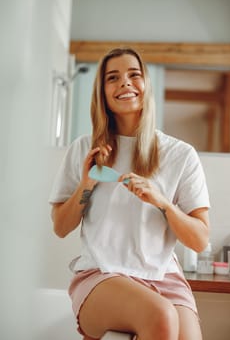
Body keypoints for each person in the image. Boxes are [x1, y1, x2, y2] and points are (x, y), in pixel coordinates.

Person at [49, 47, 210, 340]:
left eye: (133, 75)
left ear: (145, 85)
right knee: (161, 315)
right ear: (102, 91)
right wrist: (86, 185)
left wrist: (163, 203)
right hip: (102, 274)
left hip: (165, 278)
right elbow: (60, 227)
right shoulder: (84, 150)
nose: (125, 82)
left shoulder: (180, 155)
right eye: (113, 77)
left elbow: (199, 240)